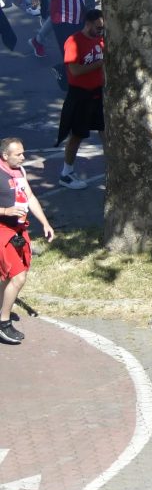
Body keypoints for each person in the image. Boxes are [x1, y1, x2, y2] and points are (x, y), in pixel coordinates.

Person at [0, 140, 56, 345]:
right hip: (2, 231)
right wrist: (5, 211)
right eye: (18, 154)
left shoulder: (20, 171)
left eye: (23, 153)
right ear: (5, 156)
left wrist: (45, 223)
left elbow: (30, 197)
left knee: (9, 277)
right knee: (18, 278)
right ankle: (3, 323)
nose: (23, 157)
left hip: (19, 230)